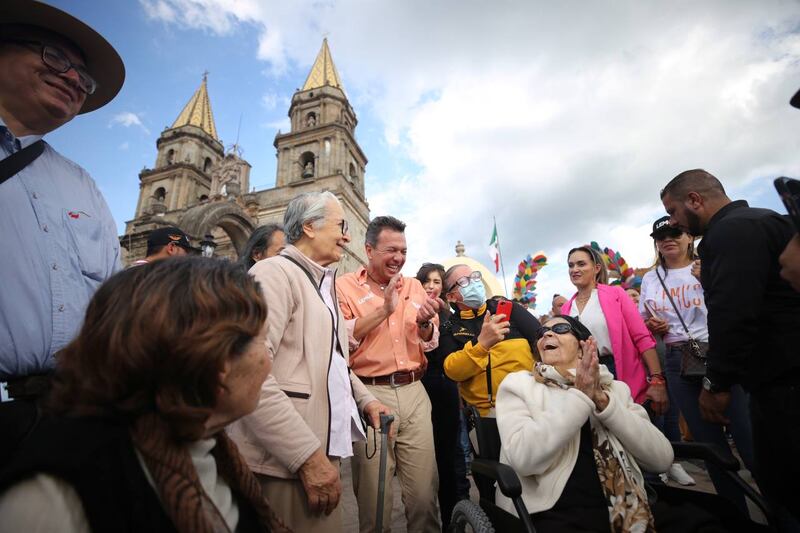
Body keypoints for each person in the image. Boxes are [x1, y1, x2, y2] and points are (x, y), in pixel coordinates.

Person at [0, 257, 289, 532]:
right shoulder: (56, 500)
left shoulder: (213, 453)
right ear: (220, 360)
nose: (268, 359)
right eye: (262, 339)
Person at [0, 0, 125, 462]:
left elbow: (112, 307)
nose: (74, 79)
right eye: (55, 57)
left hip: (65, 417)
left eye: (84, 79)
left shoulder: (82, 186)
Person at [227, 192, 390, 532]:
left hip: (315, 454)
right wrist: (307, 457)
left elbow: (332, 359)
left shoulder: (321, 284)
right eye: (340, 226)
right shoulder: (273, 273)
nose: (347, 236)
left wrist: (365, 398)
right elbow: (248, 374)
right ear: (309, 228)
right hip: (283, 464)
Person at [496, 315, 740, 532]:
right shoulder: (519, 385)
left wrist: (602, 402)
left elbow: (661, 459)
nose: (546, 334)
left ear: (584, 347)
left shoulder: (614, 390)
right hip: (558, 511)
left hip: (633, 506)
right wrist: (580, 396)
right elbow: (523, 459)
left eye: (560, 328)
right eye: (541, 333)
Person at [661, 169, 800, 528]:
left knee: (784, 487)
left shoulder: (728, 234)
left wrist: (716, 384)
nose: (675, 222)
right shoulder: (768, 220)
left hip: (780, 382)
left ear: (695, 200)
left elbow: (732, 315)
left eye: (674, 211)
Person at [639, 216, 756, 509]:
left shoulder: (708, 264)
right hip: (678, 360)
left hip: (720, 353)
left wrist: (709, 281)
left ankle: (782, 514)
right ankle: (736, 516)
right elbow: (646, 319)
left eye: (674, 232)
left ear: (689, 236)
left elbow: (736, 304)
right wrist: (654, 325)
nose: (667, 239)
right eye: (660, 235)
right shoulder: (652, 278)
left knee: (749, 439)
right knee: (710, 447)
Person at [336, 215, 443, 533]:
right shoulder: (343, 287)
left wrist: (425, 324)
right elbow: (342, 337)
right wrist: (383, 309)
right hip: (370, 397)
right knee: (375, 498)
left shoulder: (413, 286)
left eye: (404, 251)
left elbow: (430, 340)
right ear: (369, 249)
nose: (399, 257)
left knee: (425, 495)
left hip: (414, 392)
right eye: (391, 249)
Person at [561, 246, 668, 416]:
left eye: (581, 264)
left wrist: (657, 379)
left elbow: (642, 337)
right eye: (571, 265)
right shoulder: (566, 309)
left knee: (638, 432)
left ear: (596, 268)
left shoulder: (615, 294)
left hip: (620, 370)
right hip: (587, 375)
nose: (575, 270)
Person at [442, 264, 541, 415]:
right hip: (488, 415)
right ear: (451, 296)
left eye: (475, 277)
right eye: (464, 281)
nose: (474, 283)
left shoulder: (508, 309)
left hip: (531, 403)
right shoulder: (449, 328)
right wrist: (481, 345)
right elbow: (453, 371)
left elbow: (541, 340)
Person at [416, 262, 466, 531]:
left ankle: (456, 514)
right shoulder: (411, 310)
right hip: (420, 386)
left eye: (437, 282)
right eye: (427, 281)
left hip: (445, 386)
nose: (431, 286)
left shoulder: (450, 315)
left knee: (451, 455)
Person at [131, 226, 197, 265]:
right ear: (171, 248)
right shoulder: (151, 277)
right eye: (187, 252)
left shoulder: (133, 272)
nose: (188, 258)